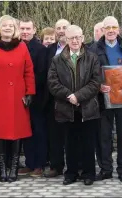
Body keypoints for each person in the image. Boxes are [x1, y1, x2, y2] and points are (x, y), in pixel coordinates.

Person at [0, 15, 35, 183]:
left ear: (15, 28)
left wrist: (30, 93)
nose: (8, 28)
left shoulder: (22, 47)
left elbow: (29, 71)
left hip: (18, 97)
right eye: (5, 25)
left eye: (11, 25)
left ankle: (14, 168)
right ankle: (3, 168)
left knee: (17, 132)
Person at [48, 25, 101, 186]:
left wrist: (78, 96)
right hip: (66, 107)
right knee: (69, 143)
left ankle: (88, 173)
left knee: (88, 142)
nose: (75, 40)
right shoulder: (57, 60)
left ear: (83, 38)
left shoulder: (92, 58)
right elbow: (52, 83)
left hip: (87, 107)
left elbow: (95, 82)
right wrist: (68, 96)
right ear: (66, 39)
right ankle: (70, 173)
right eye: (71, 38)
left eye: (78, 37)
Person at [89, 16, 122, 183]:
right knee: (103, 135)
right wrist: (99, 85)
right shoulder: (93, 49)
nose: (111, 30)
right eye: (108, 27)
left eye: (114, 27)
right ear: (103, 29)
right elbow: (89, 73)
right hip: (102, 99)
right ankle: (105, 169)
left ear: (119, 29)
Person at [18, 17, 48, 177]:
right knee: (25, 131)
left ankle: (39, 164)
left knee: (38, 131)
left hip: (36, 97)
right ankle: (29, 163)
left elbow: (41, 75)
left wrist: (27, 90)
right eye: (22, 28)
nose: (25, 32)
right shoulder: (15, 46)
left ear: (34, 30)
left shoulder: (41, 49)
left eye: (28, 29)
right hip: (18, 98)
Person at [43, 18, 71, 178]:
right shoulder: (48, 50)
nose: (61, 30)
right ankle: (56, 165)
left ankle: (75, 165)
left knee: (72, 134)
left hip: (73, 99)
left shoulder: (80, 48)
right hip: (53, 99)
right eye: (58, 28)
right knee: (55, 135)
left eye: (64, 27)